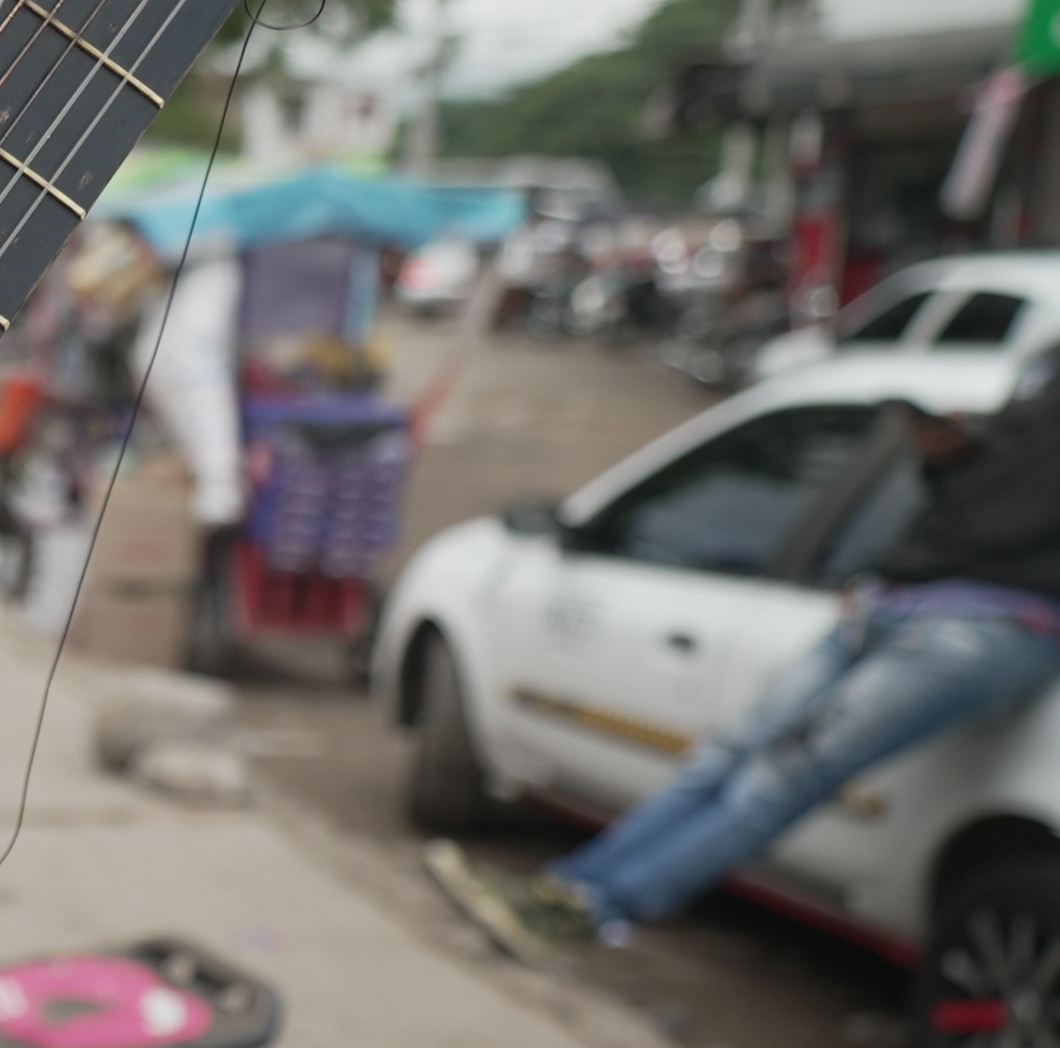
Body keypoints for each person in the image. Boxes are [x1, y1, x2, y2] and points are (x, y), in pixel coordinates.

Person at [433, 371, 1060, 961]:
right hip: (894, 599)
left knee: (782, 776)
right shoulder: (1041, 380)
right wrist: (947, 457)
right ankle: (565, 889)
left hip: (988, 627)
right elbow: (991, 501)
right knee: (728, 754)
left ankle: (592, 909)